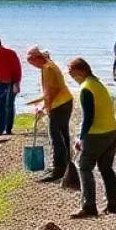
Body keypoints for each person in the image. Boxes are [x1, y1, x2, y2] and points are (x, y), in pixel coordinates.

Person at [68, 57, 116, 218]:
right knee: (106, 168)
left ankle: (89, 205)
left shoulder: (86, 88)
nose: (72, 78)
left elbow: (88, 117)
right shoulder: (98, 83)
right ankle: (112, 204)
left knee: (84, 166)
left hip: (97, 134)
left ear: (81, 71)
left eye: (72, 74)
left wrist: (80, 138)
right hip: (112, 130)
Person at [26, 46, 73, 182]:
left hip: (59, 104)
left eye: (32, 63)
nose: (34, 66)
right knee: (63, 135)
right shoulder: (49, 66)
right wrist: (41, 103)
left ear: (37, 58)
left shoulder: (48, 68)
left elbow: (52, 91)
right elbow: (50, 91)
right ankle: (65, 166)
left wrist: (45, 107)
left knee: (56, 136)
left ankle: (58, 169)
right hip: (65, 101)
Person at [0, 35, 22, 137]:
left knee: (9, 105)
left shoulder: (10, 53)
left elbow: (17, 69)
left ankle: (8, 129)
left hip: (11, 82)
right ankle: (0, 128)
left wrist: (16, 84)